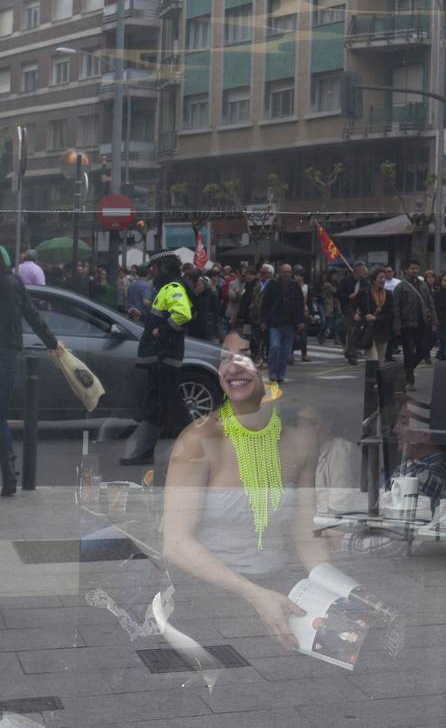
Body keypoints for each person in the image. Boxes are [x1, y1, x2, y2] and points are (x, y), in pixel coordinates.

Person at [161, 331, 333, 652]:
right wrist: (253, 594)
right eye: (225, 357)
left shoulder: (300, 438)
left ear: (272, 364)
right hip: (208, 597)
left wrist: (336, 587)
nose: (232, 367)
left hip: (281, 589)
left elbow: (306, 533)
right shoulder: (199, 440)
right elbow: (176, 543)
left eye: (246, 356)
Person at [0, 237, 59, 496]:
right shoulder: (13, 282)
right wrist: (52, 344)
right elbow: (32, 315)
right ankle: (9, 477)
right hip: (9, 358)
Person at [120, 250, 194, 466]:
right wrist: (142, 316)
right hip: (159, 358)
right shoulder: (164, 289)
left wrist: (161, 331)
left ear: (164, 268)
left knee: (168, 407)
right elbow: (163, 315)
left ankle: (202, 450)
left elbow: (182, 315)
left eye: (154, 267)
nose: (151, 270)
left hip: (165, 358)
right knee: (158, 408)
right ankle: (144, 453)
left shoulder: (173, 288)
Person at [393, 260, 437, 390]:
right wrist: (397, 325)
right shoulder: (401, 287)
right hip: (407, 324)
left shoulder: (423, 285)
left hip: (422, 323)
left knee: (423, 349)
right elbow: (395, 307)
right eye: (412, 268)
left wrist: (434, 321)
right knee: (408, 352)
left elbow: (430, 303)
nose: (415, 271)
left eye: (417, 268)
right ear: (406, 270)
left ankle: (406, 371)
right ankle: (409, 379)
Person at [260, 263, 306, 385]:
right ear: (280, 272)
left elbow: (300, 304)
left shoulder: (295, 286)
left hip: (290, 324)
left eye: (289, 272)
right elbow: (265, 303)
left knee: (285, 351)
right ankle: (273, 374)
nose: (287, 274)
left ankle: (281, 376)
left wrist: (300, 320)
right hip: (275, 323)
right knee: (275, 347)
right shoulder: (272, 285)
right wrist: (263, 320)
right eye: (285, 272)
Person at [356, 267, 394, 365]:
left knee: (380, 361)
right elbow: (353, 307)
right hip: (369, 330)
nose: (383, 280)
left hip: (383, 331)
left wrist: (376, 318)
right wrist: (356, 314)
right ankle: (371, 380)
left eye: (384, 278)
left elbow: (391, 314)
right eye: (380, 278)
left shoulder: (389, 294)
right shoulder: (364, 292)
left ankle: (377, 380)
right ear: (373, 280)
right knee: (373, 358)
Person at [337, 261, 369, 365]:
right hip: (348, 309)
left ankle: (350, 348)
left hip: (360, 309)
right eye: (362, 270)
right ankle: (352, 355)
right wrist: (348, 296)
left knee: (358, 331)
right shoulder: (345, 281)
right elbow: (338, 294)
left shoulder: (365, 282)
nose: (364, 272)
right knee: (351, 330)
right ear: (357, 270)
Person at [186, 271, 220, 342]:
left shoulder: (212, 296)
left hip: (205, 326)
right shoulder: (197, 295)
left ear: (205, 285)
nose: (197, 286)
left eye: (199, 285)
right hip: (195, 325)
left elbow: (216, 311)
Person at [292, 265, 311, 363]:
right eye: (295, 275)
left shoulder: (306, 287)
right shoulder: (291, 287)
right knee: (292, 335)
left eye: (298, 275)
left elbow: (309, 302)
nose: (296, 277)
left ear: (302, 277)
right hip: (293, 313)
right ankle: (290, 355)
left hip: (304, 312)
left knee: (303, 335)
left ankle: (304, 354)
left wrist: (310, 313)